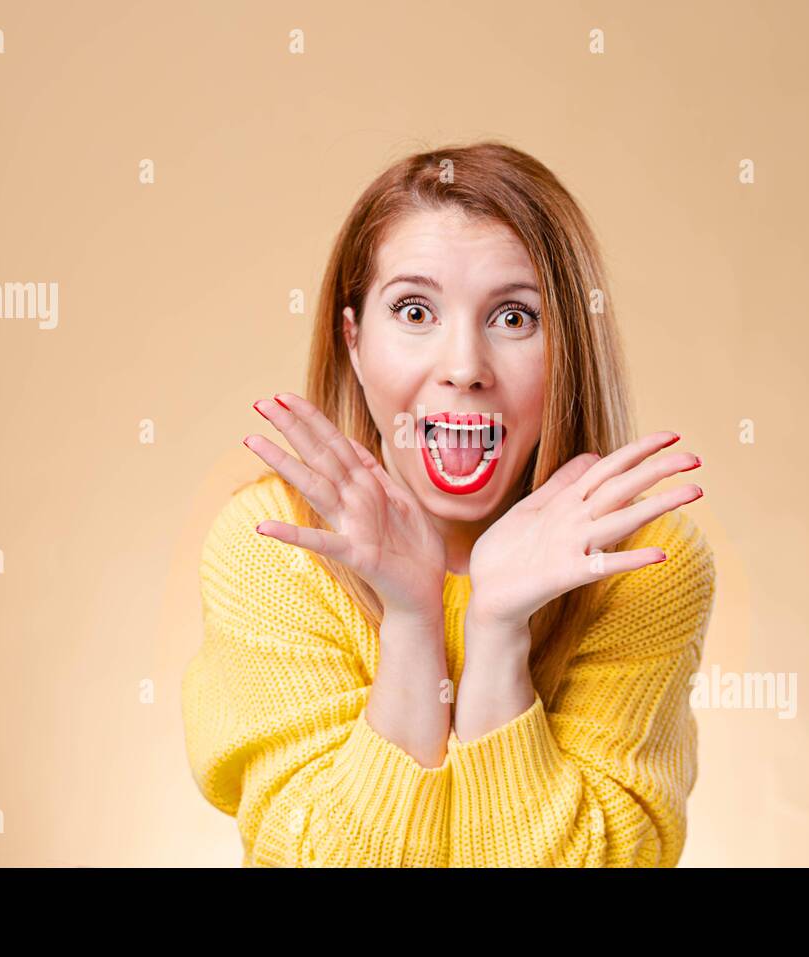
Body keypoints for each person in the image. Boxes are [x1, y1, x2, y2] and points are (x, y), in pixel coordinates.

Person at [180, 141, 715, 867]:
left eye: (515, 318)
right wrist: (411, 621)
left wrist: (497, 631)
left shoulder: (640, 565)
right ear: (355, 341)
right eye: (413, 309)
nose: (464, 367)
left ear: (570, 350)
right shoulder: (273, 545)